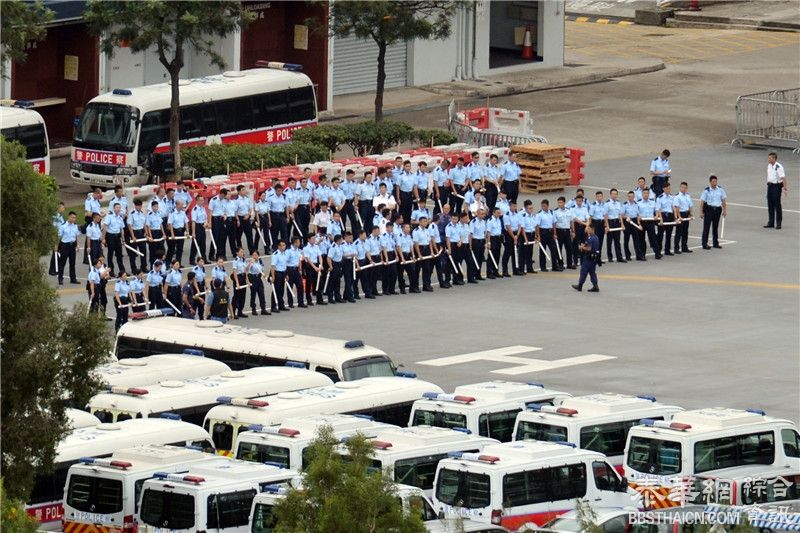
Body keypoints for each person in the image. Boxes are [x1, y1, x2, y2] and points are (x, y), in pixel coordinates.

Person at [700, 175, 727, 250]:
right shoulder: (707, 190)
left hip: (717, 210)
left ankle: (715, 243)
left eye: (715, 181)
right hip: (709, 209)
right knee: (706, 227)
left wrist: (724, 210)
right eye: (713, 182)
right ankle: (704, 243)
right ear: (710, 182)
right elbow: (702, 202)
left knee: (715, 227)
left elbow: (723, 200)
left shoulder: (720, 190)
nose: (714, 183)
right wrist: (701, 212)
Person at [572, 223, 600, 293]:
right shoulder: (596, 237)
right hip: (594, 258)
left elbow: (589, 248)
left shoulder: (590, 238)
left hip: (588, 257)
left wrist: (582, 247)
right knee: (592, 272)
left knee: (583, 271)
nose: (587, 230)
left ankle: (580, 285)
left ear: (592, 229)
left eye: (588, 228)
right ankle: (595, 285)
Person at [57, 211, 81, 285]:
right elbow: (59, 237)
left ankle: (73, 278)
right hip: (65, 245)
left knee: (72, 263)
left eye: (75, 218)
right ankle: (60, 278)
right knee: (62, 263)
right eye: (72, 217)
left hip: (72, 245)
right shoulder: (63, 226)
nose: (74, 219)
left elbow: (76, 236)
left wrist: (77, 245)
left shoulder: (75, 226)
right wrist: (56, 246)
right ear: (69, 217)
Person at [765, 152, 787, 229]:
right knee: (770, 204)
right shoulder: (769, 165)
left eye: (770, 158)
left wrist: (785, 188)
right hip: (770, 186)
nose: (768, 159)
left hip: (776, 186)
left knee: (777, 205)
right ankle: (771, 222)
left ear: (774, 158)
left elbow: (783, 178)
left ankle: (778, 223)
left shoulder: (778, 167)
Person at [103, 203, 126, 275]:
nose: (118, 209)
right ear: (113, 208)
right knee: (110, 254)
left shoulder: (120, 217)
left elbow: (122, 229)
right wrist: (103, 238)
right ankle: (111, 271)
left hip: (118, 237)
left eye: (119, 208)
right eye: (117, 207)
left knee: (119, 254)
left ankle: (122, 271)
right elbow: (105, 227)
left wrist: (123, 239)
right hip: (110, 237)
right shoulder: (109, 217)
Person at [412, 217, 434, 292]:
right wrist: (419, 254)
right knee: (417, 269)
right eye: (424, 221)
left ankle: (426, 285)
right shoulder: (416, 231)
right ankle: (415, 286)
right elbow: (416, 244)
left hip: (426, 249)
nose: (426, 223)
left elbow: (429, 242)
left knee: (427, 269)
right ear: (420, 222)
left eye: (426, 221)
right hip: (420, 249)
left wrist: (431, 251)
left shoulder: (427, 231)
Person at [655, 182, 677, 258]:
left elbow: (674, 208)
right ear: (663, 189)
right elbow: (658, 209)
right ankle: (658, 251)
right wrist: (660, 219)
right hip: (663, 216)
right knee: (660, 234)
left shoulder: (672, 197)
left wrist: (675, 218)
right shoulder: (659, 198)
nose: (668, 190)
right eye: (667, 188)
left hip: (670, 216)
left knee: (669, 234)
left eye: (669, 188)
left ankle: (667, 250)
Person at [303, 233, 325, 306]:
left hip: (316, 265)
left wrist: (320, 265)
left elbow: (320, 256)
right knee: (309, 283)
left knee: (319, 282)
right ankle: (309, 300)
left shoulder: (316, 246)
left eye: (315, 238)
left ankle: (319, 299)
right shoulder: (306, 248)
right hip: (309, 266)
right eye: (312, 239)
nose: (314, 240)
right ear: (308, 239)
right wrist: (315, 267)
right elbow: (308, 259)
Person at [637, 188, 659, 259]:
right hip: (642, 222)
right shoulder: (638, 203)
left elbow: (657, 210)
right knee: (641, 239)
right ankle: (642, 254)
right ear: (642, 194)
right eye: (644, 193)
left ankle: (657, 253)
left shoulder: (653, 202)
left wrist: (656, 216)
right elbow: (636, 213)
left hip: (650, 222)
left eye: (647, 193)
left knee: (653, 238)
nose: (646, 195)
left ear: (649, 194)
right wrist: (638, 217)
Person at [126, 199, 148, 272]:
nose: (139, 207)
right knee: (133, 253)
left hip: (141, 233)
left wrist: (146, 233)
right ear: (135, 206)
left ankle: (144, 267)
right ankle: (134, 269)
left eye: (140, 206)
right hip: (134, 233)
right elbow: (130, 225)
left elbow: (144, 224)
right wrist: (133, 236)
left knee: (143, 251)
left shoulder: (142, 213)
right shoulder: (132, 213)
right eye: (138, 206)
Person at [605, 188, 626, 263]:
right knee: (609, 241)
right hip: (610, 222)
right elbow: (606, 216)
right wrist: (607, 226)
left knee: (617, 240)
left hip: (617, 222)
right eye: (613, 194)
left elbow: (620, 214)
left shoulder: (618, 203)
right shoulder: (607, 203)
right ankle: (610, 257)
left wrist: (622, 224)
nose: (614, 195)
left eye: (615, 194)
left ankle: (619, 257)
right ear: (610, 195)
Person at [553, 197, 574, 270]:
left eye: (561, 202)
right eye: (558, 202)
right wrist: (555, 233)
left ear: (564, 203)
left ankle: (569, 264)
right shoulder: (555, 212)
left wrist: (573, 231)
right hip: (559, 231)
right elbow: (554, 224)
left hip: (567, 231)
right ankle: (560, 264)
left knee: (569, 248)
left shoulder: (569, 211)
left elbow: (571, 221)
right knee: (559, 248)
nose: (559, 204)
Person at [622, 191, 643, 261]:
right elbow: (622, 215)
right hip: (627, 222)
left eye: (632, 196)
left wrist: (639, 224)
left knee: (636, 240)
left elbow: (638, 215)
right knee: (626, 240)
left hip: (634, 222)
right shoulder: (625, 204)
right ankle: (628, 256)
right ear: (628, 197)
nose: (631, 198)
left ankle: (639, 256)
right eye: (629, 196)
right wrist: (626, 217)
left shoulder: (636, 204)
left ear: (634, 197)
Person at [673, 181, 693, 254]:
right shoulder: (677, 196)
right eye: (682, 187)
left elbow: (690, 205)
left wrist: (691, 214)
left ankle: (684, 247)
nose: (683, 189)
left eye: (685, 187)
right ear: (680, 187)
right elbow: (677, 207)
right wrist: (679, 216)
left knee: (685, 232)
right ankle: (676, 248)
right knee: (679, 232)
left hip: (686, 214)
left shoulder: (688, 196)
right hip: (680, 214)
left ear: (686, 188)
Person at [588, 191, 607, 266]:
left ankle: (598, 258)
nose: (599, 198)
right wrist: (590, 228)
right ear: (596, 197)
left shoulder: (604, 205)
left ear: (602, 197)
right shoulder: (593, 205)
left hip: (602, 223)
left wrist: (606, 225)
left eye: (600, 196)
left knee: (600, 242)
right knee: (595, 241)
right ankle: (593, 258)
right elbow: (590, 217)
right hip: (595, 224)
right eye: (598, 196)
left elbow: (605, 215)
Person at [209, 188, 229, 259]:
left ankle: (219, 255)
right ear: (221, 194)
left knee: (222, 238)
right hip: (215, 220)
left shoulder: (224, 201)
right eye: (223, 196)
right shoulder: (213, 200)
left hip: (222, 219)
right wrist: (210, 222)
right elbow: (210, 212)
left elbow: (225, 210)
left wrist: (225, 215)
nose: (223, 197)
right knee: (215, 237)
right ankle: (211, 255)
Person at [286, 236, 306, 307]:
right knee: (290, 287)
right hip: (290, 269)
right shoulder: (288, 251)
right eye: (298, 242)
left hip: (297, 270)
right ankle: (290, 303)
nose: (299, 243)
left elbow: (299, 260)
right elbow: (285, 262)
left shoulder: (299, 250)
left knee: (300, 286)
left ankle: (301, 302)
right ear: (294, 243)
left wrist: (300, 269)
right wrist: (286, 273)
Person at [380, 222, 399, 295]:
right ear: (387, 228)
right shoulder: (383, 236)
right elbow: (383, 248)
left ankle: (392, 289)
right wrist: (386, 258)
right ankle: (385, 289)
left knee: (394, 273)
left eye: (392, 227)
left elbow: (394, 246)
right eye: (390, 227)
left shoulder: (392, 236)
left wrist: (396, 255)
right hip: (386, 254)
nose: (391, 229)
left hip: (392, 254)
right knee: (386, 273)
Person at [520, 200, 539, 274]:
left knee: (530, 252)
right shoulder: (523, 216)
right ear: (525, 208)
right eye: (529, 208)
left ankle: (529, 267)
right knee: (523, 253)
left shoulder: (533, 216)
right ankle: (521, 269)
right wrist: (525, 239)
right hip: (525, 235)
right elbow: (522, 228)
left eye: (532, 208)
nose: (531, 210)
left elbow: (536, 226)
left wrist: (537, 236)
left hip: (531, 234)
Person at [190, 195, 209, 264]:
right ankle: (192, 260)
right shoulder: (195, 209)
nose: (202, 202)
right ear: (197, 201)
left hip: (202, 227)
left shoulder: (203, 208)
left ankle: (204, 259)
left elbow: (206, 218)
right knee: (195, 244)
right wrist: (193, 232)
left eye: (203, 200)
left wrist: (206, 223)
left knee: (203, 244)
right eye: (200, 200)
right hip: (197, 227)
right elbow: (193, 222)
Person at [485, 207, 504, 279]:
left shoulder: (499, 220)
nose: (499, 214)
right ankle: (489, 272)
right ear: (493, 213)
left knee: (497, 255)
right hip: (492, 239)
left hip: (498, 238)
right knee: (491, 256)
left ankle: (495, 270)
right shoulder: (490, 221)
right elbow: (488, 233)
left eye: (499, 213)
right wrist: (488, 242)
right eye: (497, 213)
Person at [231, 248, 249, 317]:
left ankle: (240, 311)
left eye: (243, 252)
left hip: (243, 277)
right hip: (238, 278)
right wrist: (237, 283)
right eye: (241, 252)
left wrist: (247, 280)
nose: (242, 253)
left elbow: (245, 271)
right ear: (237, 253)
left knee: (243, 295)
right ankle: (233, 312)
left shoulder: (244, 260)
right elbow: (234, 272)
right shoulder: (235, 261)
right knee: (236, 296)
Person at [50, 202, 66, 275]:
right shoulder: (55, 217)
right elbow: (54, 228)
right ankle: (52, 270)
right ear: (59, 208)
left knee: (59, 253)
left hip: (61, 237)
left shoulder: (61, 217)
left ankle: (57, 268)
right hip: (56, 237)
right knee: (55, 253)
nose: (64, 209)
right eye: (63, 207)